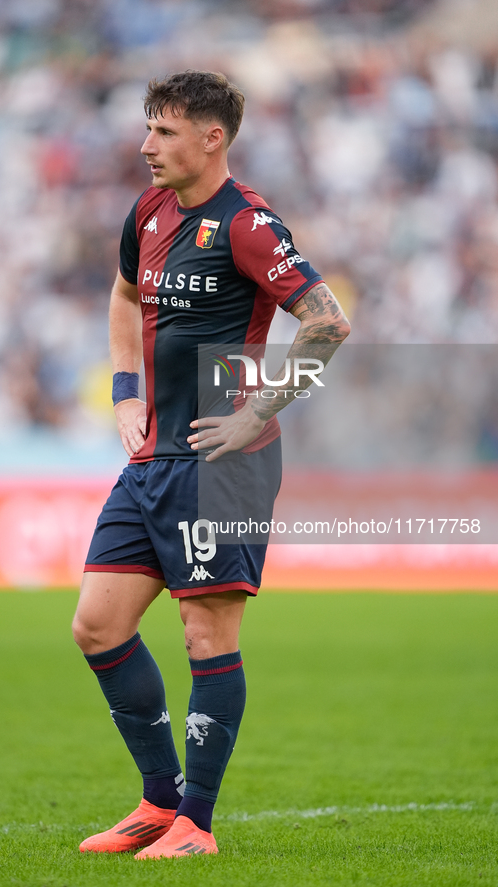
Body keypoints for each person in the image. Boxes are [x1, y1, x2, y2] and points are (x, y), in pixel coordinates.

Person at [72, 70, 350, 860]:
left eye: (161, 131)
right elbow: (125, 297)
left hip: (223, 458)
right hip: (153, 452)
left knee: (205, 631)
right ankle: (156, 805)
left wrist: (255, 413)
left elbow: (328, 323)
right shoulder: (148, 211)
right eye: (147, 129)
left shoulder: (249, 223)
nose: (144, 145)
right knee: (96, 624)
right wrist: (126, 393)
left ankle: (196, 822)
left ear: (210, 136)